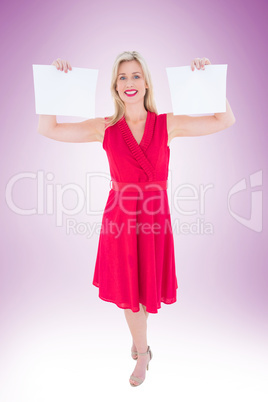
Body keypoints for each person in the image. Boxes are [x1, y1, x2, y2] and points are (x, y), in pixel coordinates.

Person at [38, 51, 236, 387]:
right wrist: (53, 84)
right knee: (131, 292)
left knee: (146, 293)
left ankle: (139, 345)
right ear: (115, 86)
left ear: (146, 83)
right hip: (120, 219)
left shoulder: (167, 123)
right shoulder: (105, 128)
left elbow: (224, 120)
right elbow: (48, 128)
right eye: (123, 77)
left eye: (136, 76)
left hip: (156, 218)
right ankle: (143, 353)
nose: (130, 83)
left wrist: (208, 80)